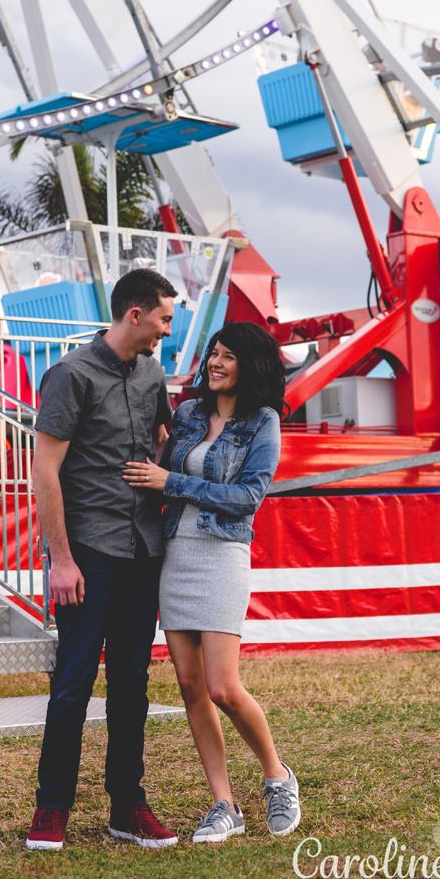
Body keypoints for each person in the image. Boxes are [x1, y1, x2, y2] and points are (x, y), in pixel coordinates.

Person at [121, 321, 299, 843]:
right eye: (213, 355)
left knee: (223, 686)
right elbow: (159, 463)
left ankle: (277, 776)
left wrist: (170, 481)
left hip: (222, 554)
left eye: (227, 356)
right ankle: (224, 804)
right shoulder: (190, 414)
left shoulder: (262, 422)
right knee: (191, 687)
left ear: (252, 363)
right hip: (176, 552)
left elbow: (248, 497)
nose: (216, 363)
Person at [26, 268, 180, 852]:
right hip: (88, 551)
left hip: (144, 548)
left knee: (132, 684)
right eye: (164, 318)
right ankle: (52, 807)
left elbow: (162, 438)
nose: (169, 328)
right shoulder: (70, 374)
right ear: (134, 315)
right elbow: (45, 471)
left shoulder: (153, 373)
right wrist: (60, 560)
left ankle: (127, 807)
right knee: (73, 683)